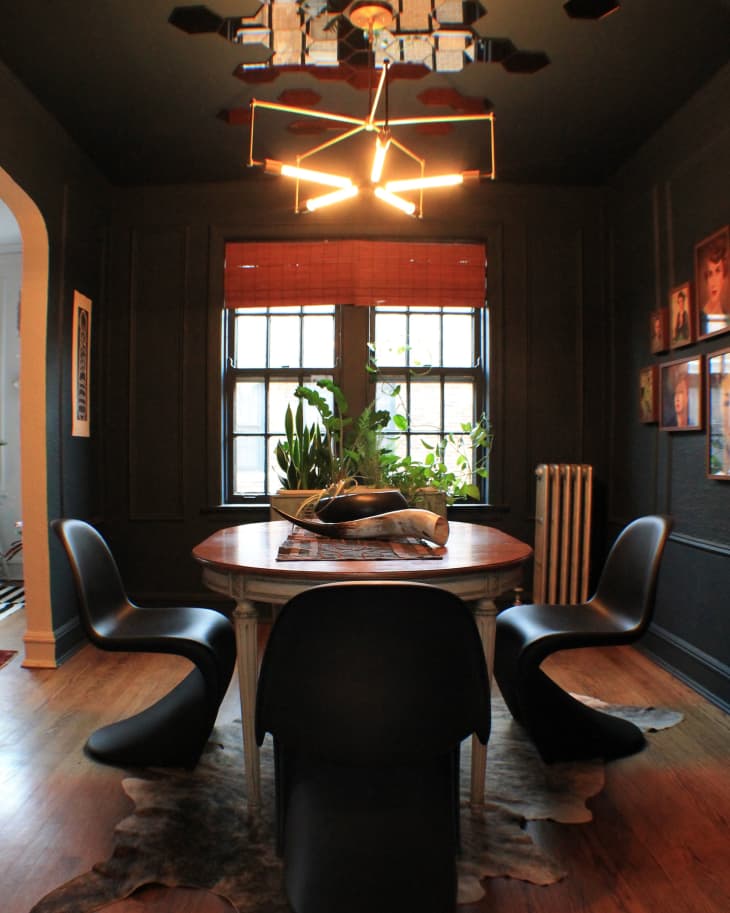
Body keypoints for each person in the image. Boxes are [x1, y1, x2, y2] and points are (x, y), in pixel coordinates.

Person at [699, 233, 730, 333]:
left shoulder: (726, 317)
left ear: (724, 275)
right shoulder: (701, 318)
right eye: (710, 273)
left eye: (718, 271)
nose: (713, 281)